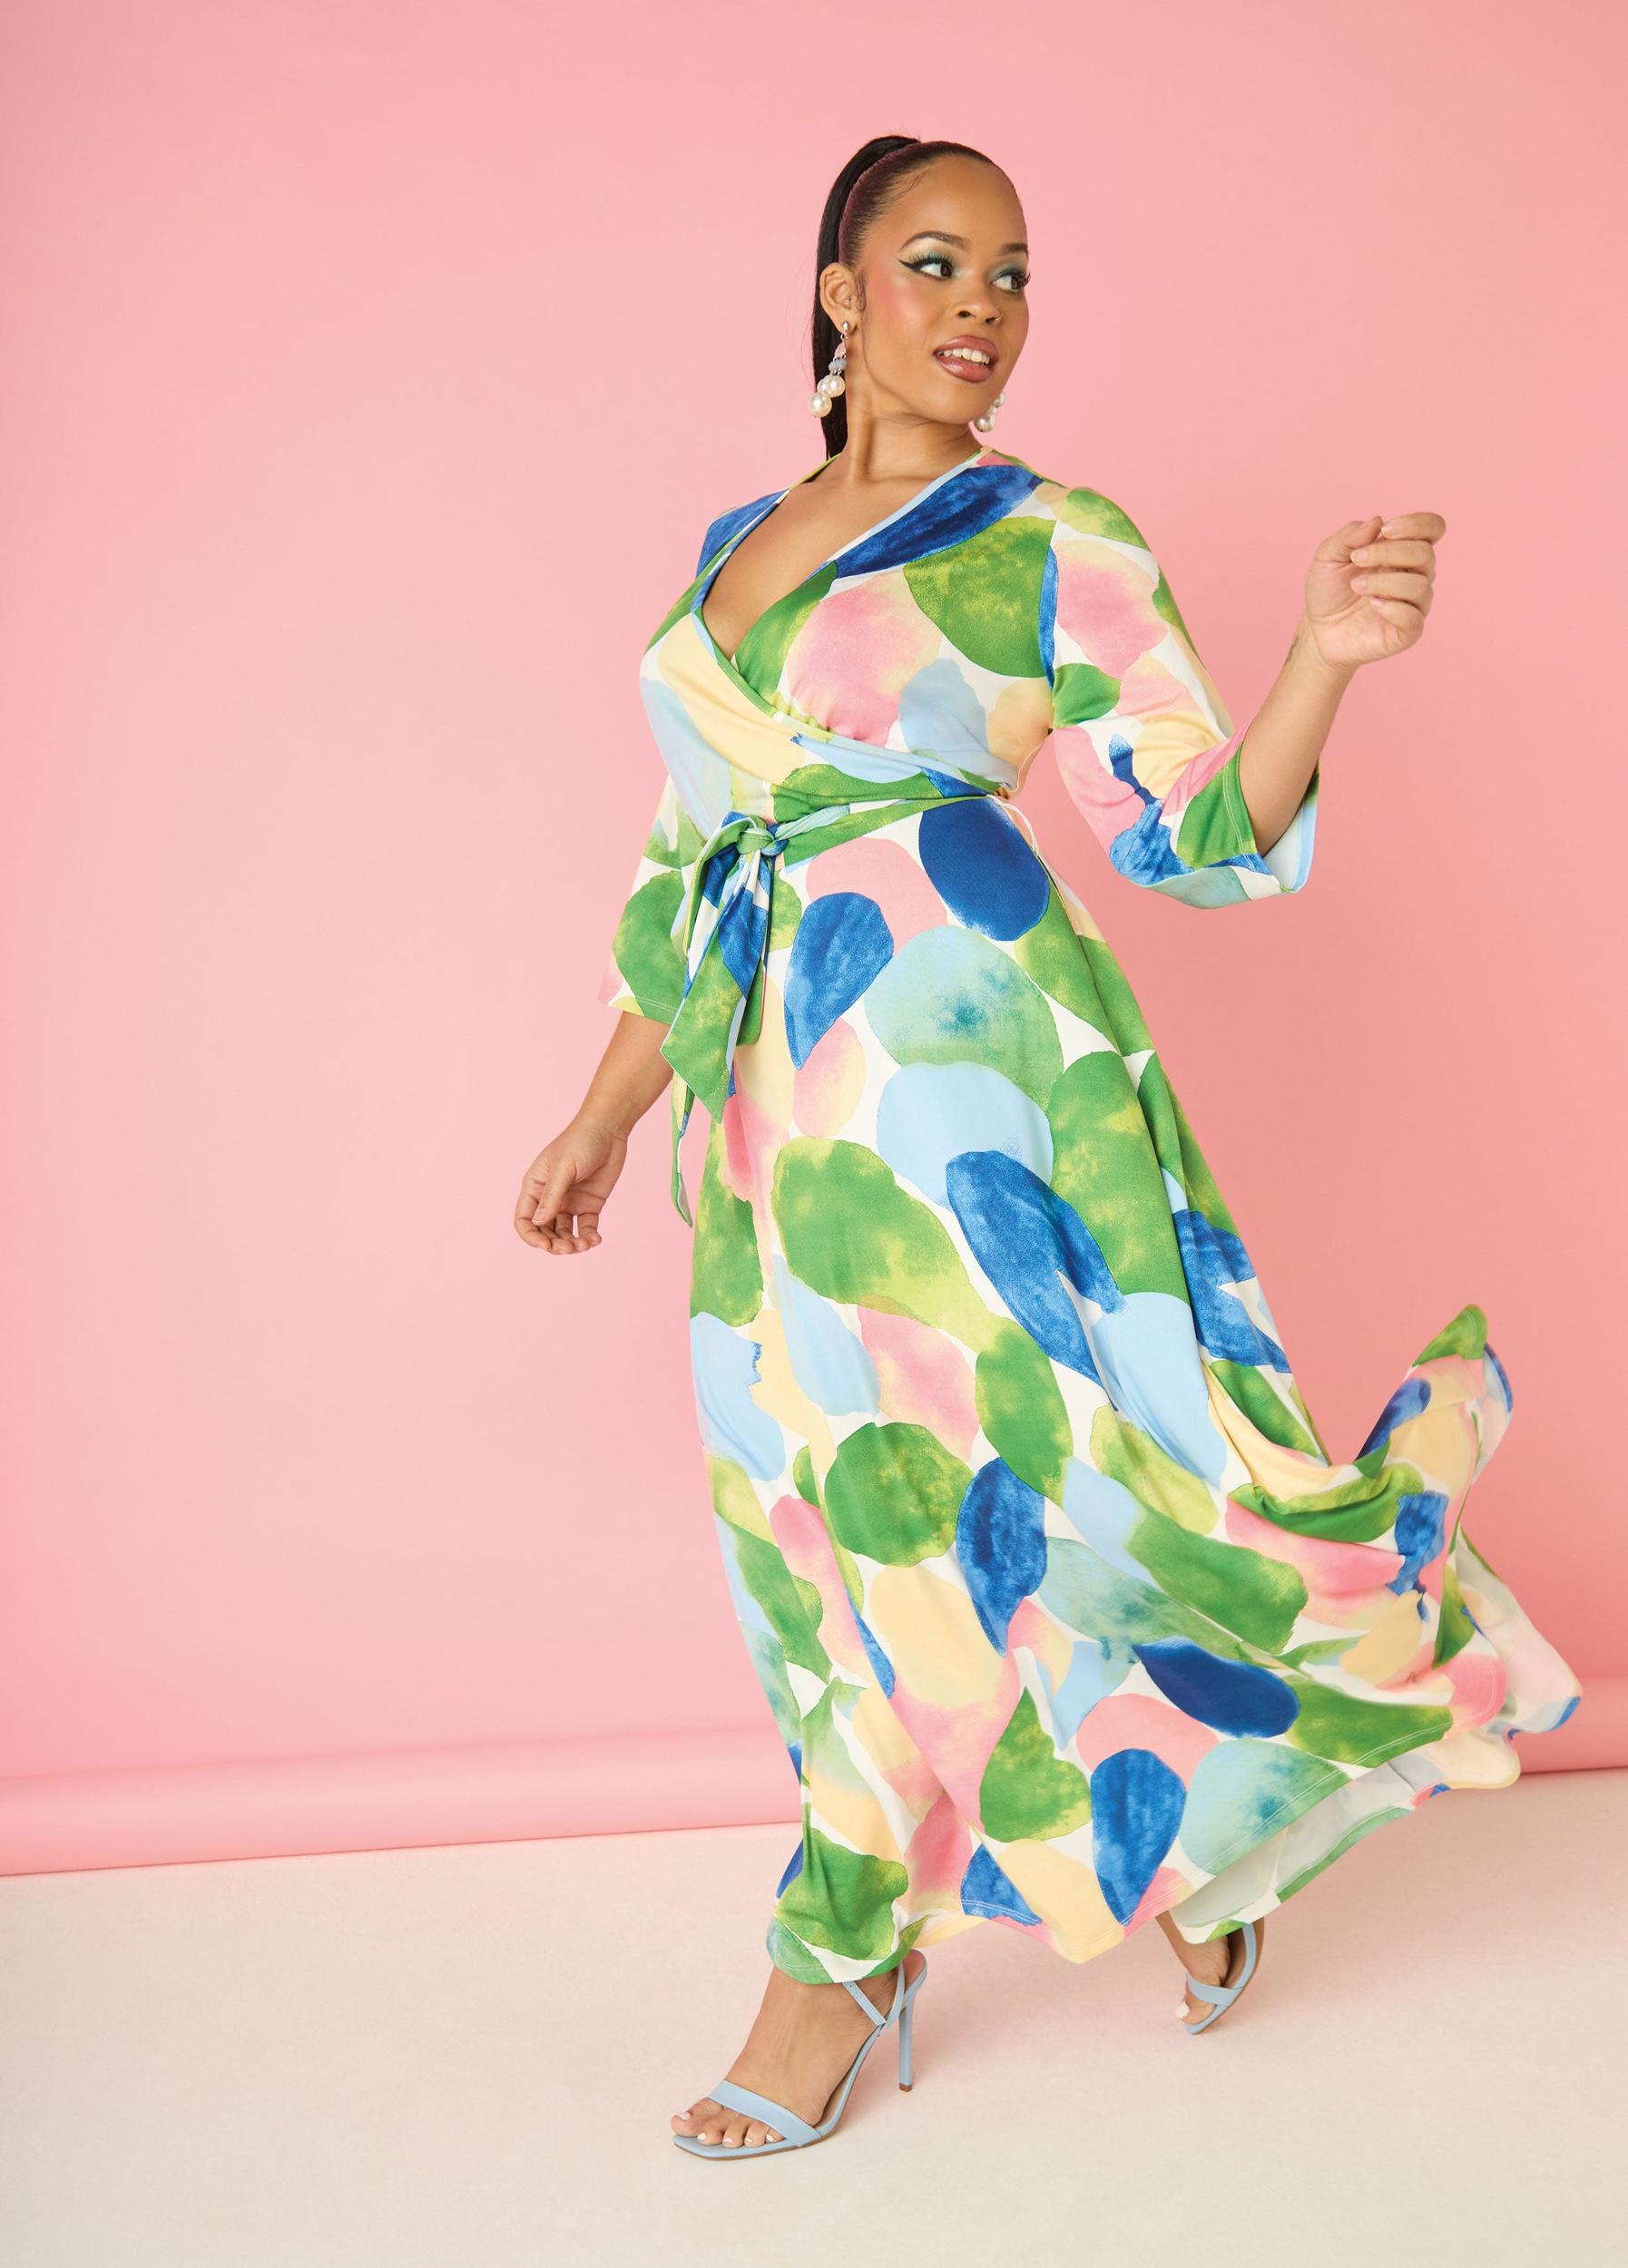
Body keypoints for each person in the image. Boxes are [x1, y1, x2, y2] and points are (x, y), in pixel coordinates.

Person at [515, 134, 1581, 2159]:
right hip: (776, 1111)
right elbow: (692, 867)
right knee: (810, 1511)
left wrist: (1322, 661)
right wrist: (600, 1109)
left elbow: (1188, 832)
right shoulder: (736, 545)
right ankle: (1188, 1848)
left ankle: (841, 1958)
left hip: (979, 1083)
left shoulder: (1056, 539)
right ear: (838, 292)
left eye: (1012, 275)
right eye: (934, 264)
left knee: (1036, 1481)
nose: (980, 309)